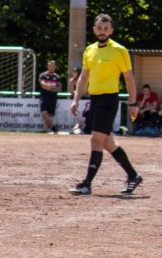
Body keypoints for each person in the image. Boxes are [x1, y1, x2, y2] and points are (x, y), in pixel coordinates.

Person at [69, 13, 142, 196]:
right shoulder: (89, 50)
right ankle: (133, 176)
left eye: (106, 28)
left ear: (111, 30)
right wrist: (76, 99)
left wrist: (133, 103)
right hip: (95, 100)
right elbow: (84, 77)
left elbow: (129, 78)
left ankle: (86, 183)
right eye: (99, 28)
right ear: (94, 30)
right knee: (108, 143)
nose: (102, 32)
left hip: (109, 100)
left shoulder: (119, 50)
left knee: (96, 140)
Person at [38, 60, 63, 133]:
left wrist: (49, 87)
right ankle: (54, 128)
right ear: (48, 66)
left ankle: (44, 130)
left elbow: (59, 88)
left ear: (55, 67)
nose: (52, 67)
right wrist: (53, 86)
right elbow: (43, 85)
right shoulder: (43, 75)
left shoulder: (57, 77)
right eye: (50, 66)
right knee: (44, 113)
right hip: (44, 97)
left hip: (53, 98)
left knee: (49, 115)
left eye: (53, 66)